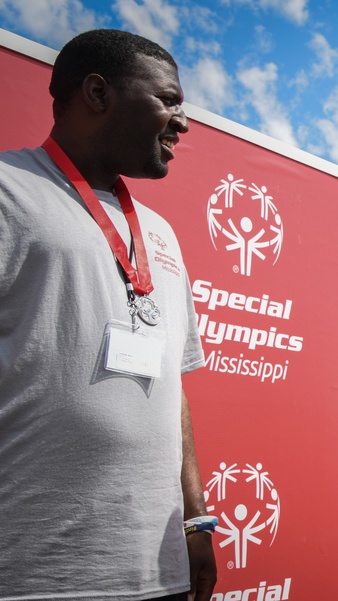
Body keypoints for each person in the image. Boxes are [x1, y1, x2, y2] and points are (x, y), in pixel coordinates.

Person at [0, 29, 216, 600]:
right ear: (98, 93)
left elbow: (173, 388)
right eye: (167, 100)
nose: (183, 122)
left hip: (157, 569)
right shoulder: (8, 190)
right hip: (33, 572)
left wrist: (195, 519)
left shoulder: (162, 233)